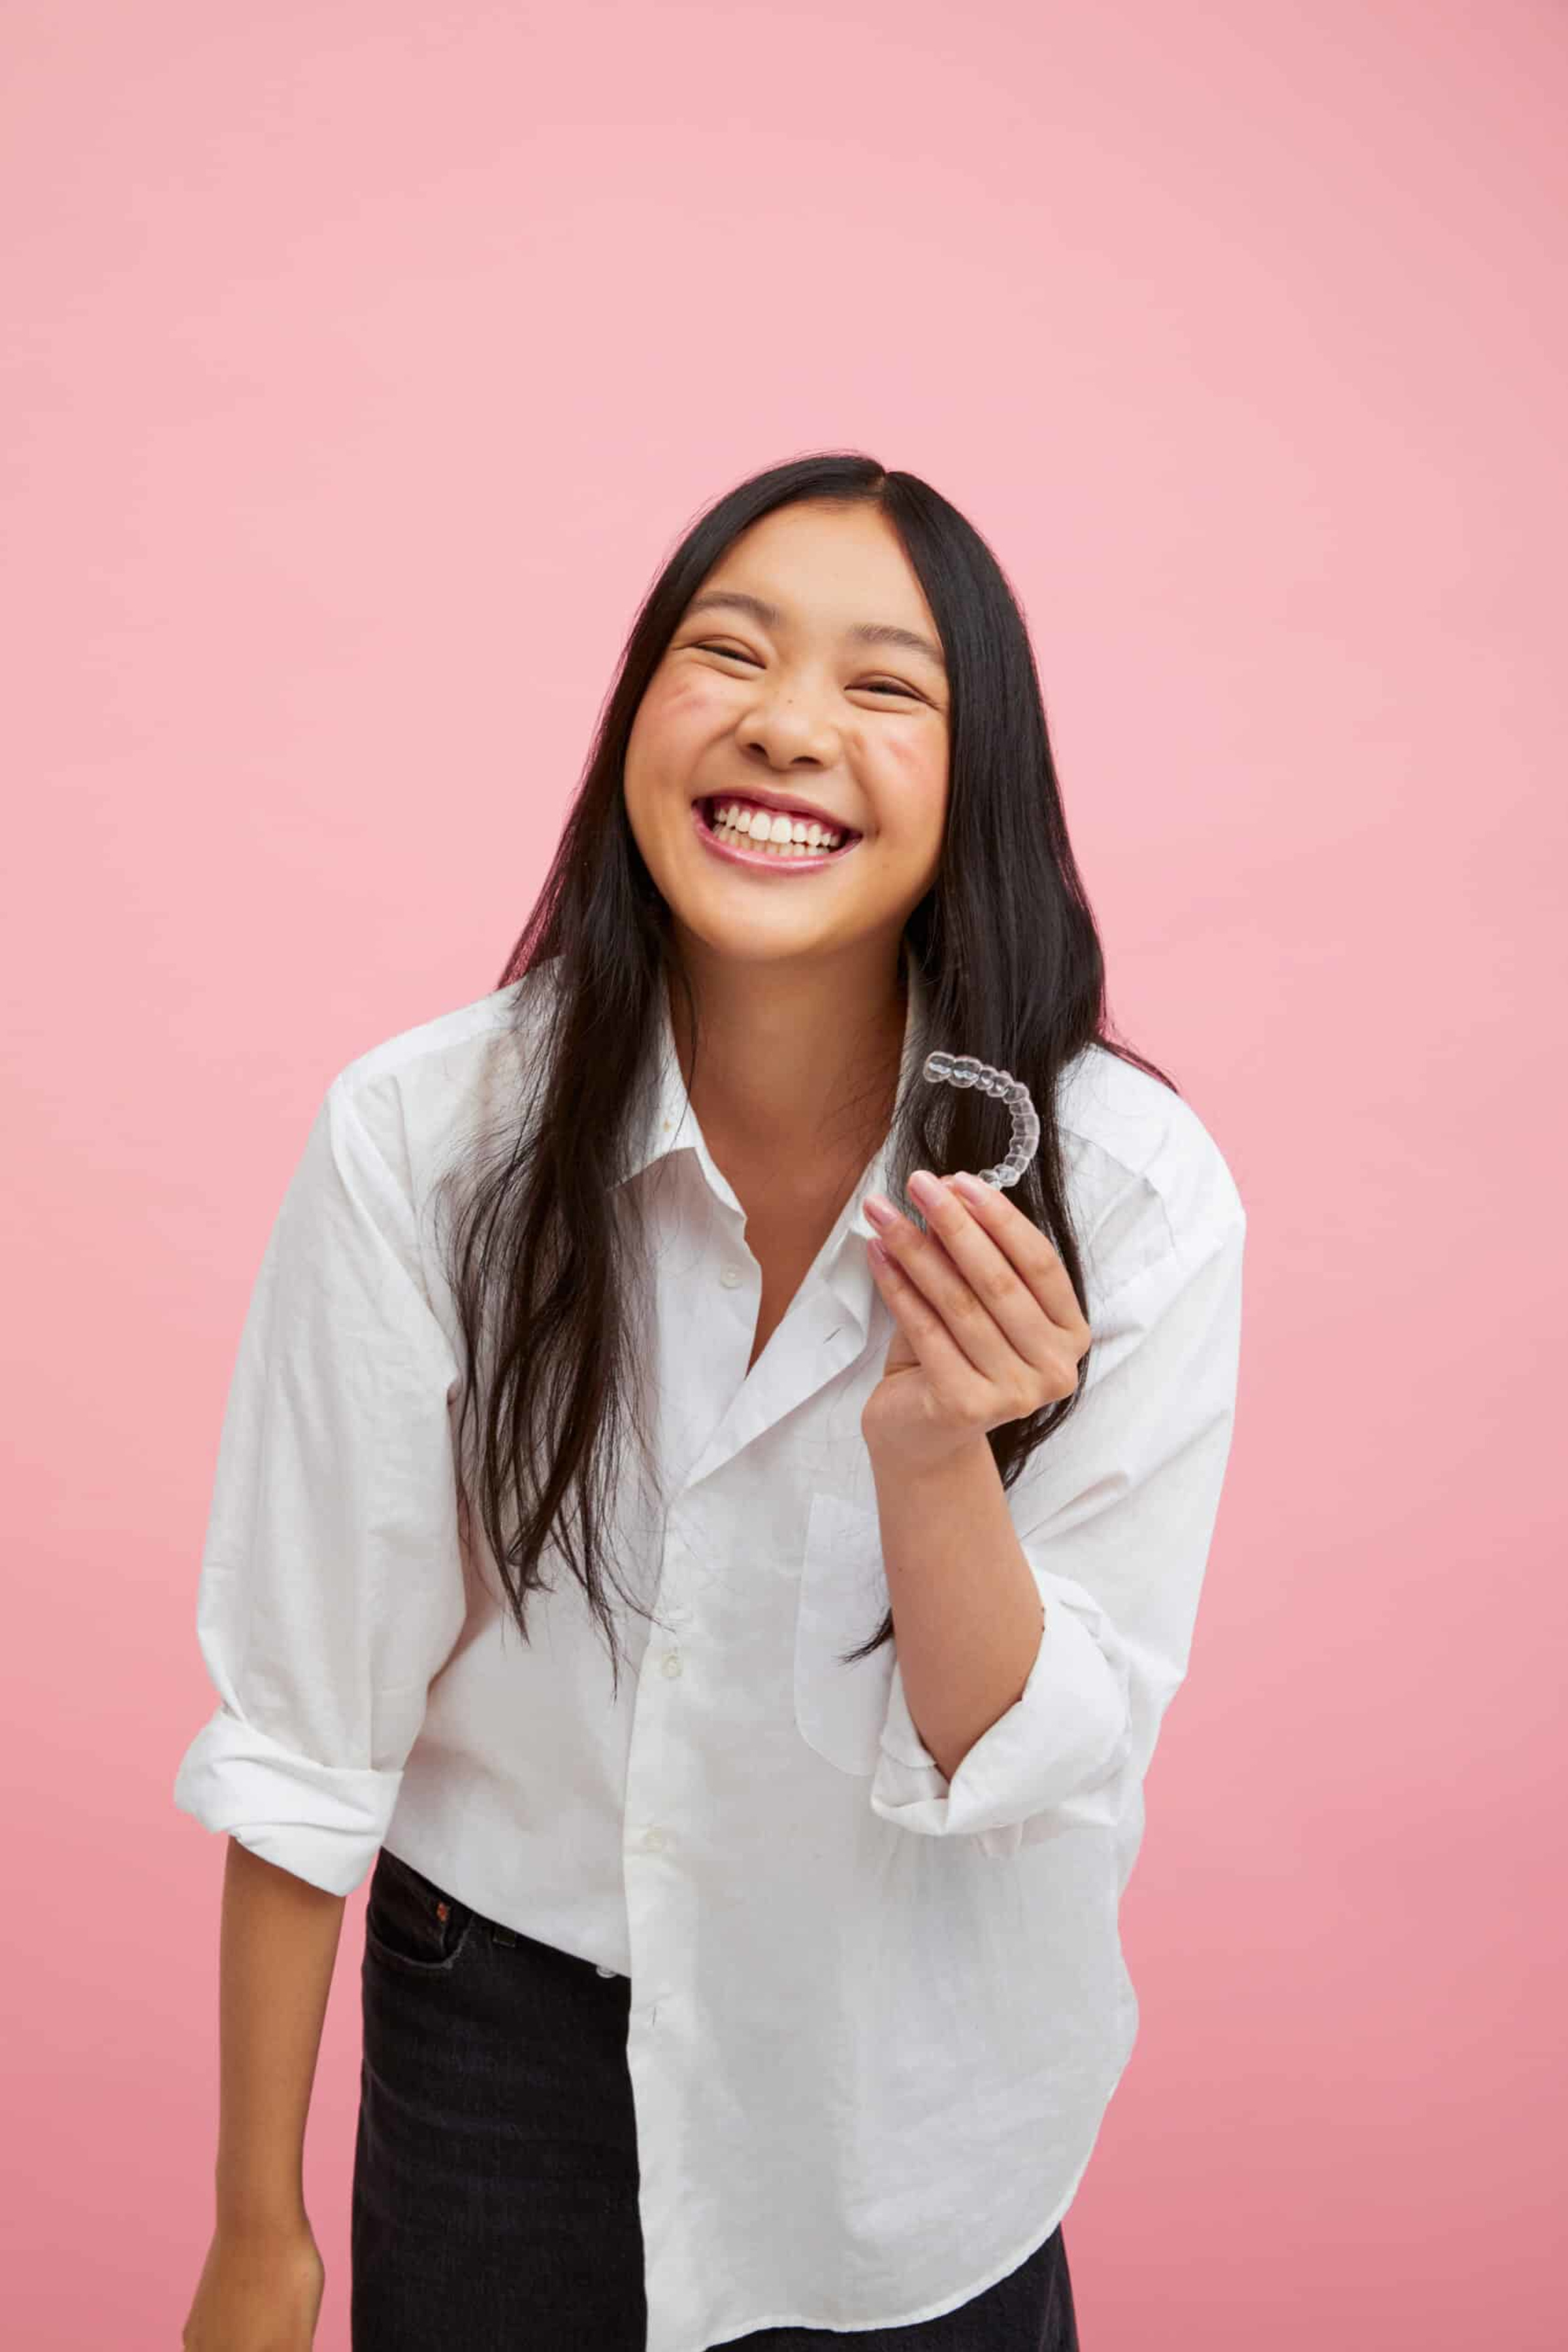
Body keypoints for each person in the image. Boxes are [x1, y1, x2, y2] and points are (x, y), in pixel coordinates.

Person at [174, 451, 1247, 2352]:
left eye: (883, 687)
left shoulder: (1132, 1195)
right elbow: (305, 1723)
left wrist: (934, 1457)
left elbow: (1034, 1769)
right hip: (500, 2055)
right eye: (725, 652)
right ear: (632, 726)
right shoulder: (424, 1146)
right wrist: (259, 2234)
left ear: (977, 776)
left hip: (910, 2078)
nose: (785, 725)